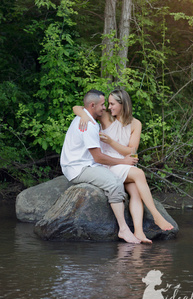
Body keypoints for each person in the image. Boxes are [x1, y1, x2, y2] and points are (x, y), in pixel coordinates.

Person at [73, 88, 174, 243]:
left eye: (112, 103)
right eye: (108, 103)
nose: (108, 106)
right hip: (108, 164)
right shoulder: (106, 117)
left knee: (135, 191)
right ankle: (156, 215)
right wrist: (83, 116)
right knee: (139, 174)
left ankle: (139, 232)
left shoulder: (135, 124)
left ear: (123, 104)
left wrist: (111, 142)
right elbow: (78, 107)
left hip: (126, 166)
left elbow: (132, 151)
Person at [60, 89, 141, 244]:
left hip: (83, 164)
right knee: (114, 183)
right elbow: (98, 157)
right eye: (103, 105)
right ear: (92, 105)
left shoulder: (85, 118)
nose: (104, 108)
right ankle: (123, 229)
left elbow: (78, 108)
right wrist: (123, 162)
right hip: (78, 168)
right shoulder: (88, 124)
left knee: (116, 175)